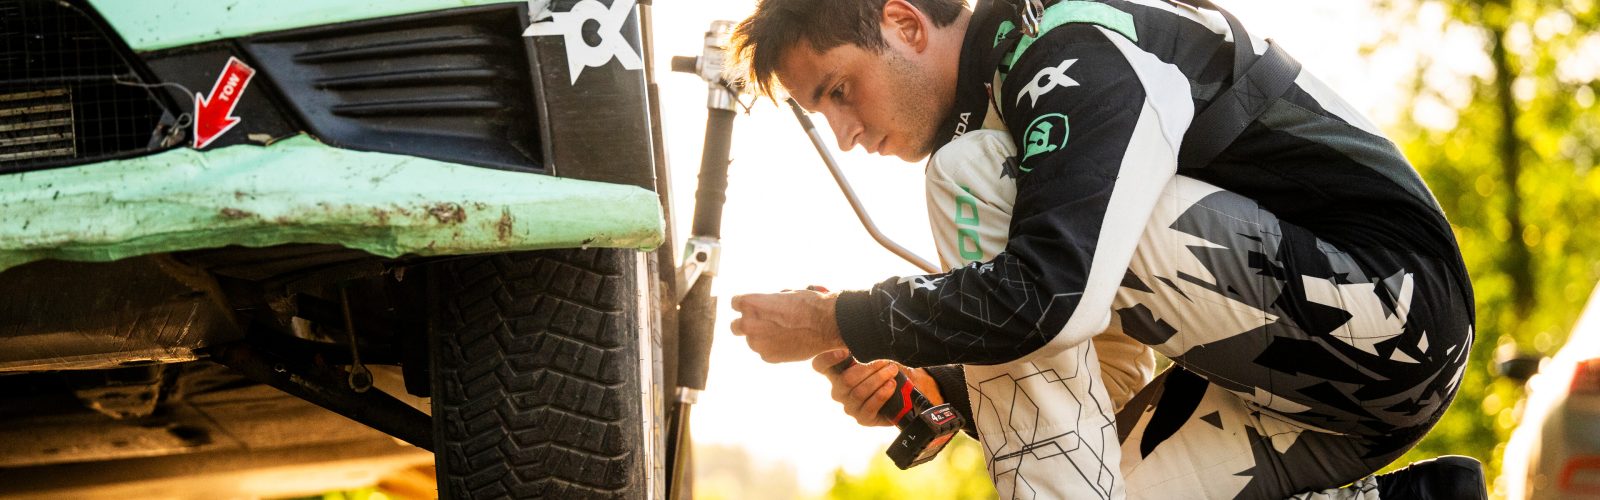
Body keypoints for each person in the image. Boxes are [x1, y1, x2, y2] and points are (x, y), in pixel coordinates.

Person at [726, 0, 1483, 498]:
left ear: (905, 24)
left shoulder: (1067, 45)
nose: (846, 135)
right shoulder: (1012, 100)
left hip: (1396, 311)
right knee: (1104, 481)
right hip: (1338, 402)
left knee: (974, 173)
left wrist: (841, 320)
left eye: (839, 91)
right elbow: (1105, 370)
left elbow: (1053, 294)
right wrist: (941, 385)